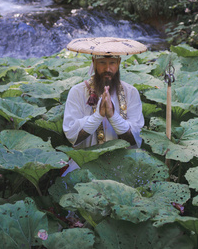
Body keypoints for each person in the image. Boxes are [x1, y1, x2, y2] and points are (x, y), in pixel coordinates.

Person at [62, 37, 146, 175]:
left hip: (123, 163)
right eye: (102, 63)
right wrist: (98, 116)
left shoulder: (131, 92)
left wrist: (113, 116)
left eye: (112, 62)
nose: (107, 69)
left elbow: (136, 137)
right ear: (94, 63)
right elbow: (72, 135)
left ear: (119, 63)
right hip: (86, 164)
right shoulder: (77, 92)